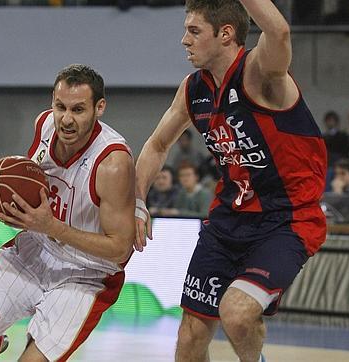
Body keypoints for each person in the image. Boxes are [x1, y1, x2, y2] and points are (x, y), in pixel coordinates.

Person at [134, 1, 327, 361]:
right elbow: (157, 145)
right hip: (228, 219)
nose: (183, 41)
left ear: (225, 34)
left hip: (285, 218)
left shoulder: (260, 72)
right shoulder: (193, 90)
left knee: (237, 315)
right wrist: (137, 202)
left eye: (194, 31)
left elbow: (280, 31)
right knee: (190, 337)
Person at [0, 64, 135, 362]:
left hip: (87, 272)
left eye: (78, 110)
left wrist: (52, 226)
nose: (66, 119)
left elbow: (120, 248)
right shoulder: (44, 125)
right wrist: (14, 205)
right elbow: (33, 182)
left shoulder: (113, 162)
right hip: (37, 250)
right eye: (60, 107)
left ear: (99, 108)